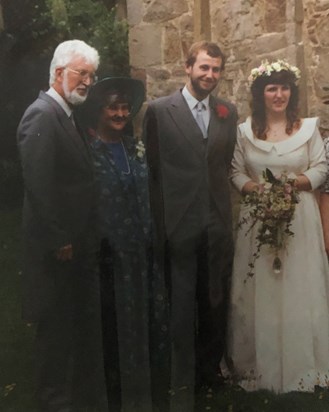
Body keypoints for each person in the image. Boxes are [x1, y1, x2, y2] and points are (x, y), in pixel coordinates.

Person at [143, 41, 238, 411]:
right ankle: (180, 377)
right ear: (188, 68)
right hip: (178, 223)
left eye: (216, 70)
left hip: (215, 221)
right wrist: (161, 222)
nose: (210, 76)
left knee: (214, 300)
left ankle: (208, 371)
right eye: (204, 68)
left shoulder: (228, 112)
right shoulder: (158, 111)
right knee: (180, 303)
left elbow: (223, 161)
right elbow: (152, 171)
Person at [16, 40, 108, 412]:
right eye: (80, 73)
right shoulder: (41, 115)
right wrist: (59, 239)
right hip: (56, 251)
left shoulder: (66, 114)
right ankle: (54, 403)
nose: (87, 81)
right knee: (54, 333)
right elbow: (39, 184)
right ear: (58, 73)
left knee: (72, 329)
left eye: (91, 75)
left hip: (74, 247)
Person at [227, 59, 329, 392]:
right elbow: (236, 172)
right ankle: (260, 365)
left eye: (285, 87)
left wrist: (292, 184)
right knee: (262, 290)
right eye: (272, 88)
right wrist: (257, 189)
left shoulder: (309, 129)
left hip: (298, 217)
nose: (279, 94)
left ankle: (302, 364)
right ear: (260, 93)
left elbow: (321, 169)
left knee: (298, 287)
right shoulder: (245, 132)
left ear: (292, 92)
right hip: (258, 218)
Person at [78, 77, 169, 412]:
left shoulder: (135, 148)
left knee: (148, 324)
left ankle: (146, 392)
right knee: (114, 331)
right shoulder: (89, 153)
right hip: (110, 259)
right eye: (112, 107)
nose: (119, 114)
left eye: (124, 108)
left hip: (142, 254)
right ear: (99, 111)